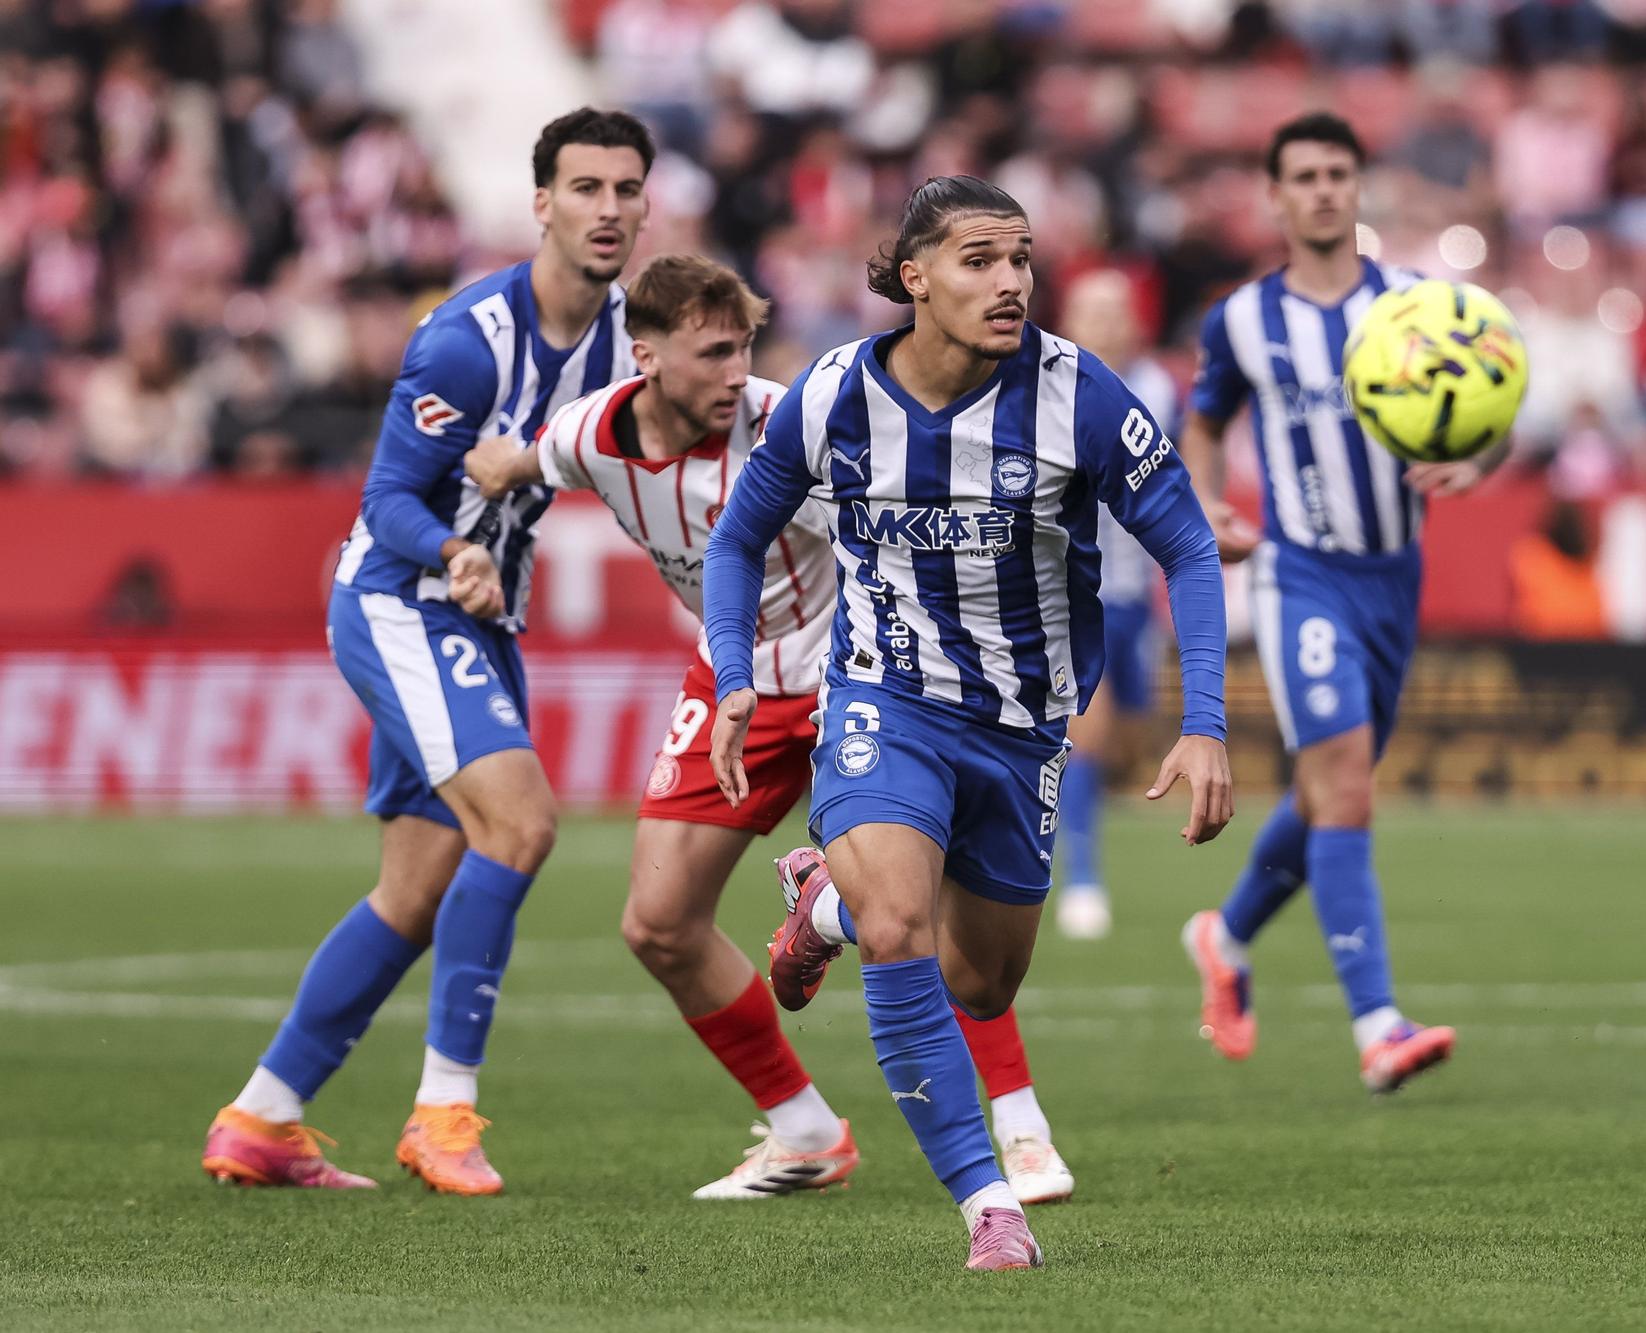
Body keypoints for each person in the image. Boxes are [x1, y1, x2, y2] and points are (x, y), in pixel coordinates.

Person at [462, 253, 1074, 1204]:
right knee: (658, 922)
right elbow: (509, 461)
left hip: (860, 669)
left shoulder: (798, 418)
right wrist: (462, 524)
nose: (733, 372)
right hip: (734, 679)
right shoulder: (592, 435)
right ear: (647, 356)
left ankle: (1022, 1129)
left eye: (743, 346)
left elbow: (909, 528)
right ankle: (805, 1130)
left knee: (929, 898)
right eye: (710, 352)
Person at [702, 176, 1233, 1270]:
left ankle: (826, 903)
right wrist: (731, 673)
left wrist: (1205, 717)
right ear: (914, 277)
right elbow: (734, 537)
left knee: (979, 980)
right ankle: (988, 1202)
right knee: (902, 926)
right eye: (980, 260)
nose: (1010, 283)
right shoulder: (832, 395)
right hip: (880, 698)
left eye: (1021, 259)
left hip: (1024, 724)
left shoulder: (1078, 395)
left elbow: (1186, 541)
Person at [201, 109, 655, 1195]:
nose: (607, 209)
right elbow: (385, 498)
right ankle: (443, 1110)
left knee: (415, 887)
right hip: (403, 597)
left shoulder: (623, 336)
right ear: (540, 202)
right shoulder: (468, 337)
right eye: (584, 188)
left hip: (479, 611)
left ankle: (261, 1117)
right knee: (521, 824)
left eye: (625, 189)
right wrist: (454, 549)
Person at [1178, 112, 1509, 1095]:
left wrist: (1474, 459)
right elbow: (1202, 425)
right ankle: (1376, 1023)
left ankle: (1223, 936)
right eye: (1303, 176)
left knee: (1331, 787)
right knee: (1345, 786)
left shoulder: (1417, 306)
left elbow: (1491, 409)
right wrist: (1204, 502)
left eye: (1336, 173)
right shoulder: (1240, 320)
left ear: (1358, 187)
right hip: (1298, 571)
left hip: (1391, 576)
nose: (1322, 189)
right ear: (1274, 197)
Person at [1046, 268, 1179, 941]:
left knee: (1135, 735)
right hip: (1078, 593)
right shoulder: (1045, 389)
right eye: (1092, 309)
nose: (1106, 322)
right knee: (1086, 735)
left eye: (1117, 309)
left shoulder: (1159, 390)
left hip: (1137, 597)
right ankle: (1082, 881)